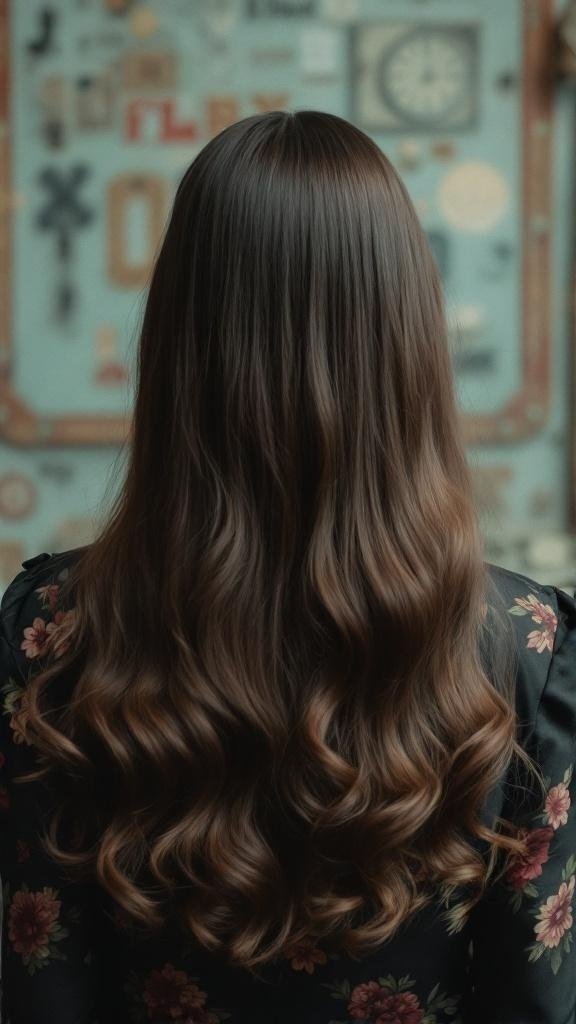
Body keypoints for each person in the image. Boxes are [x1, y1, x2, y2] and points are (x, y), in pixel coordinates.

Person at [1, 110, 575, 1024]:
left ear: (183, 340)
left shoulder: (51, 631)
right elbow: (538, 1003)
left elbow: (40, 990)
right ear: (407, 344)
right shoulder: (527, 648)